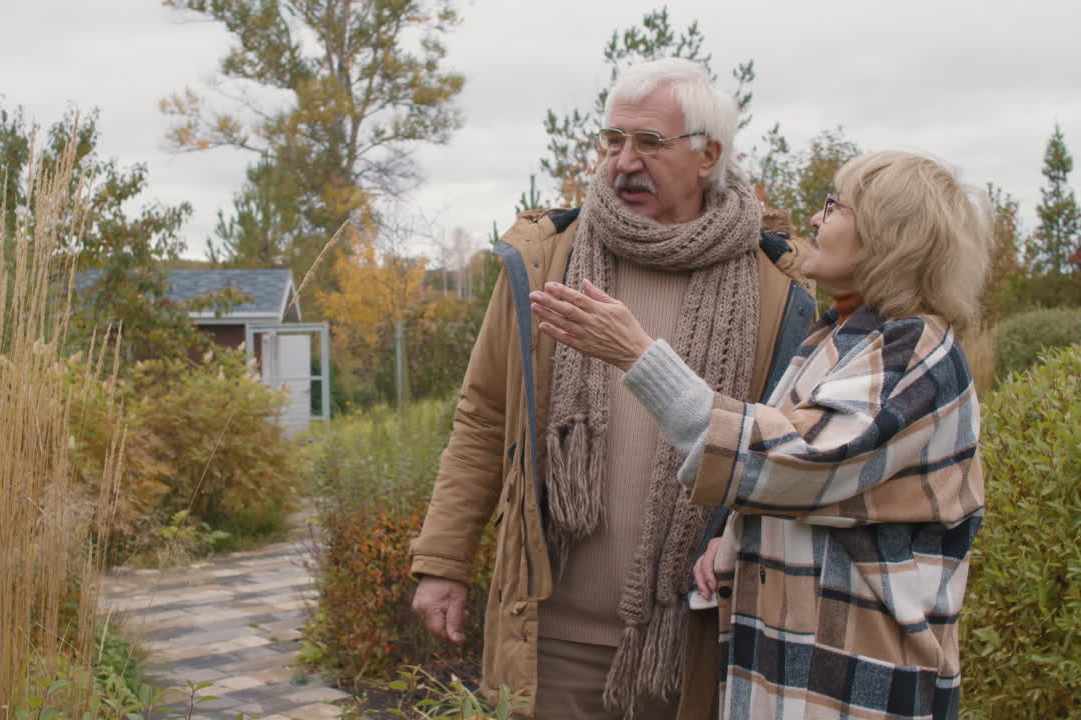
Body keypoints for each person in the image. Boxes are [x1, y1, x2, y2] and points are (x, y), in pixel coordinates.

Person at [408, 57, 815, 720]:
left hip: (700, 637)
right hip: (554, 635)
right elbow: (484, 418)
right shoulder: (548, 261)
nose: (623, 162)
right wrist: (444, 561)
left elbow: (793, 454)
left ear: (709, 154)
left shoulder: (778, 289)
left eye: (649, 143)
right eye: (612, 140)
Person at [530, 150, 990, 720]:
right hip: (793, 684)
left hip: (856, 692)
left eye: (834, 206)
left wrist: (638, 355)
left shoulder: (915, 353)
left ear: (890, 235)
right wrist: (741, 539)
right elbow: (822, 492)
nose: (817, 221)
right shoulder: (839, 338)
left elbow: (790, 461)